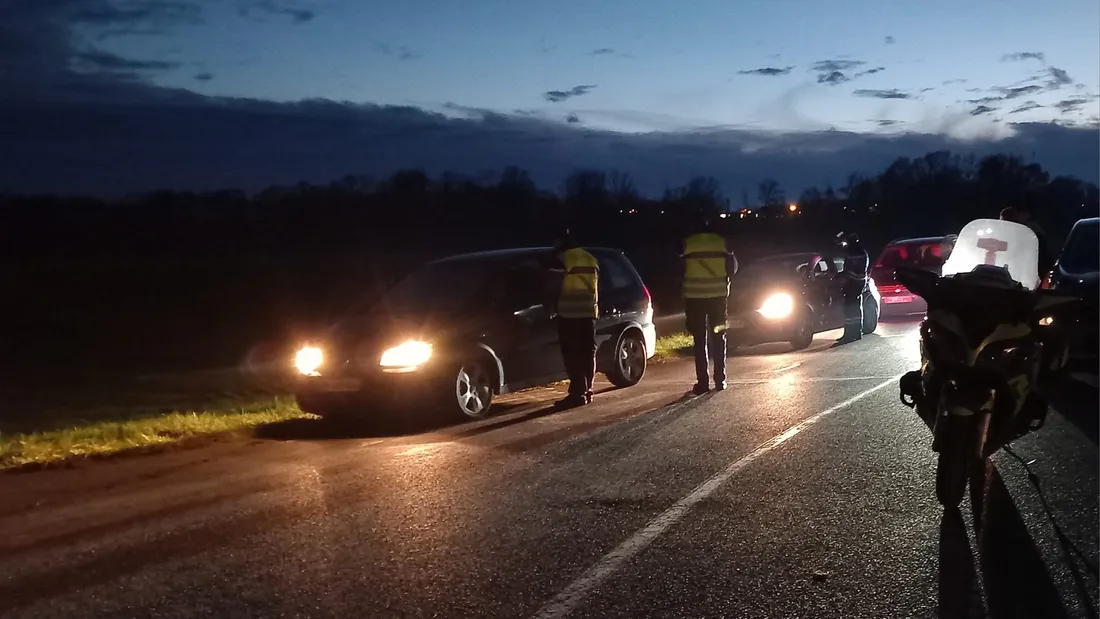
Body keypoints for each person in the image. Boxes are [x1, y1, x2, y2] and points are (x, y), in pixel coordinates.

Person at [681, 210, 738, 395]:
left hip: (694, 298)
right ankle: (720, 380)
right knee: (719, 337)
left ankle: (702, 383)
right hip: (718, 297)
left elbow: (677, 268)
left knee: (699, 340)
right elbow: (733, 267)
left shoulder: (687, 244)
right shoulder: (722, 243)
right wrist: (724, 280)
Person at [552, 228, 599, 407]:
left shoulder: (564, 258)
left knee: (573, 354)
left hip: (569, 314)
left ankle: (577, 394)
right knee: (587, 352)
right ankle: (587, 391)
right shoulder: (591, 258)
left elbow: (552, 284)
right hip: (588, 312)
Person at [835, 231, 869, 344]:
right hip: (857, 283)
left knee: (849, 308)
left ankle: (850, 334)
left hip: (854, 283)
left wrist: (842, 275)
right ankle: (856, 332)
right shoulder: (859, 250)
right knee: (854, 307)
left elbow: (851, 270)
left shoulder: (855, 252)